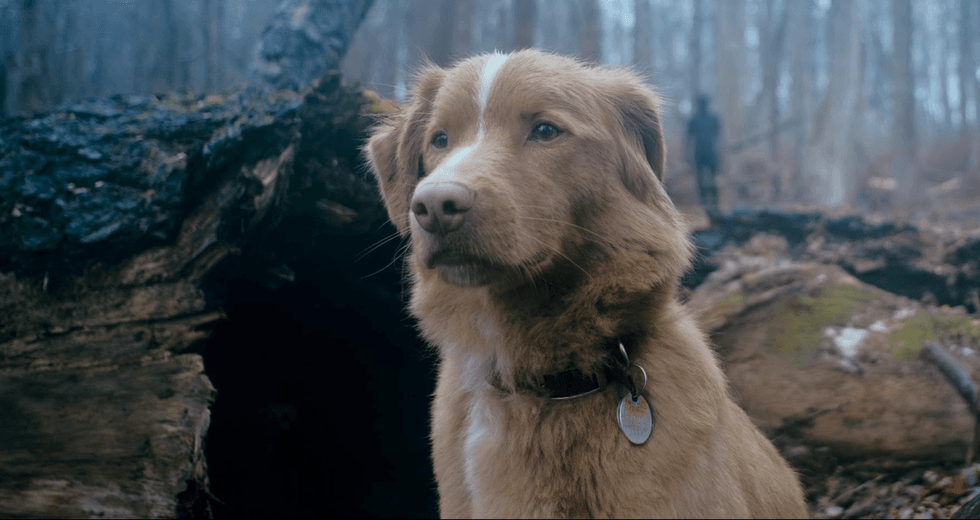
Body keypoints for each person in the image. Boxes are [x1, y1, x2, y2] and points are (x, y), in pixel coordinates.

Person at [686, 94, 722, 214]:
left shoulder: (712, 119)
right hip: (703, 153)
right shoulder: (695, 120)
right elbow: (688, 139)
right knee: (702, 181)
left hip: (708, 153)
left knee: (710, 181)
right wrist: (686, 156)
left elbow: (719, 139)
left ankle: (713, 205)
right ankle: (707, 206)